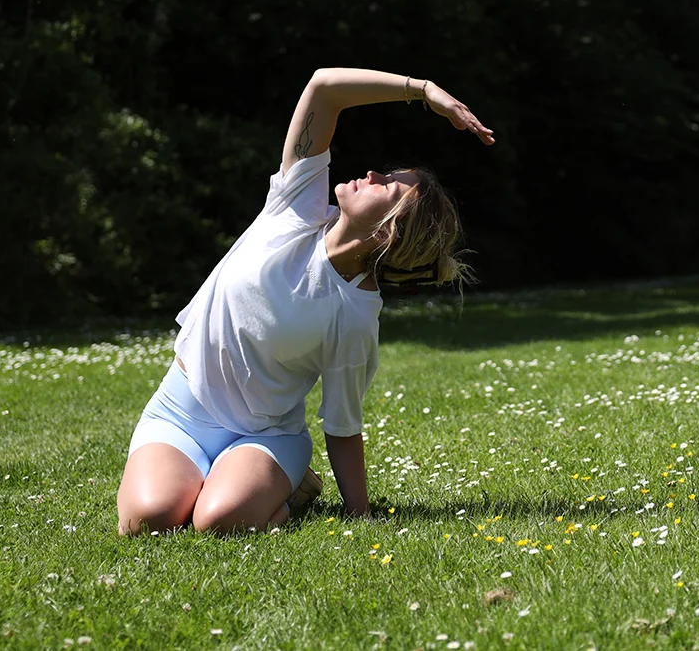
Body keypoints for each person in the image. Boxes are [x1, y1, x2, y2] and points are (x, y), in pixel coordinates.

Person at [116, 68, 494, 535]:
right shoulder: (297, 204)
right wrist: (424, 91)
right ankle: (239, 486)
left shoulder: (355, 316)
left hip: (265, 437)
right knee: (145, 522)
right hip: (181, 411)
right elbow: (323, 88)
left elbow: (342, 424)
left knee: (216, 522)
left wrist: (360, 516)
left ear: (386, 232)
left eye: (389, 184)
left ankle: (288, 490)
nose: (373, 172)